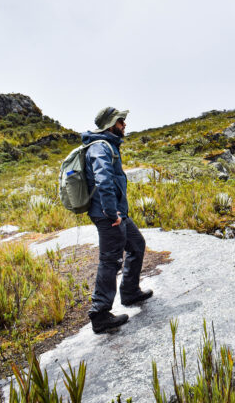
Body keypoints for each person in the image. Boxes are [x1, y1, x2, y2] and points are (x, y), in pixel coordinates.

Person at [82, 106, 153, 333]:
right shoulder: (100, 147)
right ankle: (100, 314)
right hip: (108, 215)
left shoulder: (107, 145)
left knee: (136, 244)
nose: (124, 125)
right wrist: (112, 213)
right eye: (121, 121)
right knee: (110, 260)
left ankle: (130, 292)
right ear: (111, 125)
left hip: (116, 213)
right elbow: (103, 181)